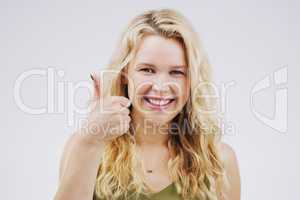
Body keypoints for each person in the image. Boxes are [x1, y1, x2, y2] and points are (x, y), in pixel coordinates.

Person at [54, 9, 241, 200]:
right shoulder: (86, 144)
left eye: (177, 72)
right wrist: (90, 141)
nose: (160, 87)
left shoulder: (219, 161)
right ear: (125, 74)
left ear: (192, 81)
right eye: (147, 70)